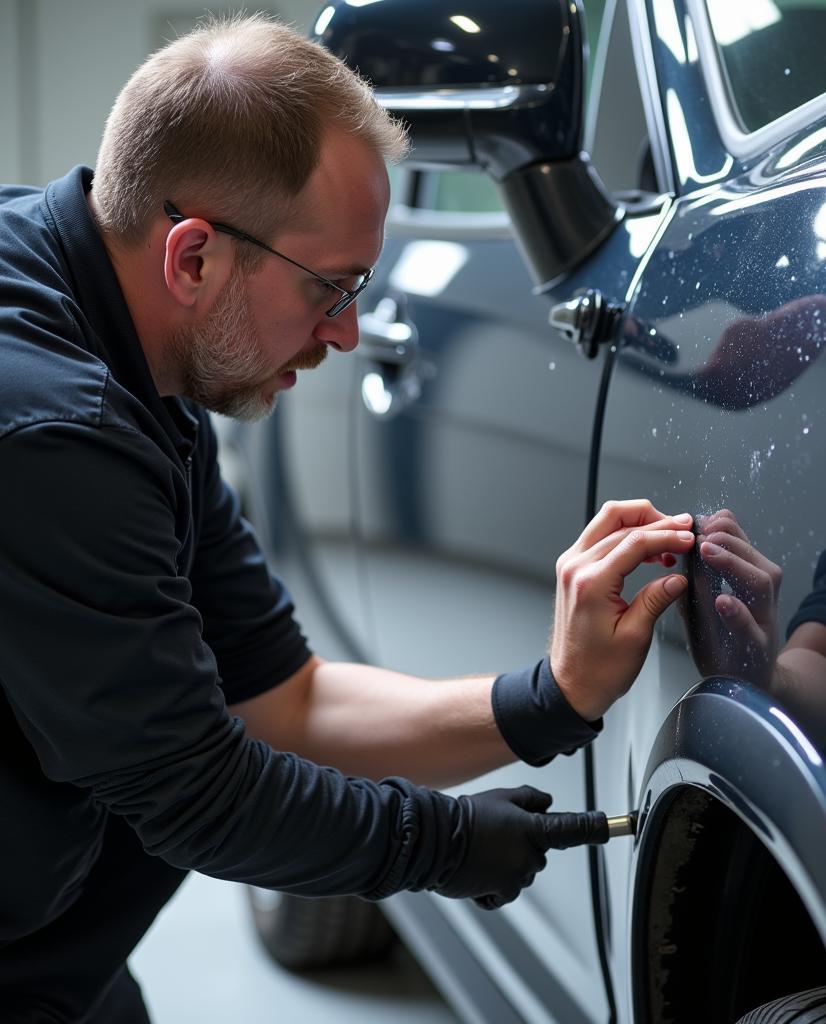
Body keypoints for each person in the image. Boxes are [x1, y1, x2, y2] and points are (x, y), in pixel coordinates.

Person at [0, 16, 696, 1023]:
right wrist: (443, 845)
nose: (348, 331)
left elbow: (284, 703)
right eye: (330, 286)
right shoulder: (52, 432)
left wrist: (546, 702)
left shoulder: (121, 348)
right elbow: (199, 790)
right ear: (193, 257)